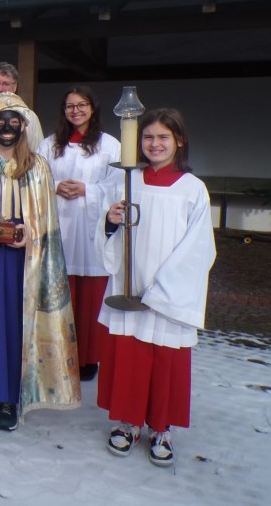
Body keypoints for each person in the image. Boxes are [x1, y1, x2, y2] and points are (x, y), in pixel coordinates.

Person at [0, 92, 80, 431]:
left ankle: (9, 396)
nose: (7, 128)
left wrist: (30, 234)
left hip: (22, 263)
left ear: (23, 126)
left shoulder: (37, 167)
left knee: (14, 324)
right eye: (0, 123)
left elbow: (46, 220)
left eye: (13, 122)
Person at [98, 108, 215, 468]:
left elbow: (200, 247)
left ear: (179, 141)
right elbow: (108, 231)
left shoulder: (193, 189)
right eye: (147, 137)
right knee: (132, 356)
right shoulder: (127, 183)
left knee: (166, 359)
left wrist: (162, 290)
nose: (154, 144)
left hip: (168, 292)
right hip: (132, 285)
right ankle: (129, 422)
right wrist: (110, 221)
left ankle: (161, 427)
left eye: (163, 137)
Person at [37, 86, 120, 382]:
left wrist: (88, 190)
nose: (76, 111)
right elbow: (36, 178)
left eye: (82, 105)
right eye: (70, 106)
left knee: (89, 296)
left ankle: (88, 358)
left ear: (93, 108)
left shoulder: (109, 145)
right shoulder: (49, 144)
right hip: (59, 225)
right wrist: (55, 186)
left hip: (91, 229)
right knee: (60, 291)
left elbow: (119, 183)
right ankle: (58, 353)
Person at [0, 62, 44, 152]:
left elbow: (38, 152)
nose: (0, 89)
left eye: (6, 84)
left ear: (15, 87)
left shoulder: (30, 116)